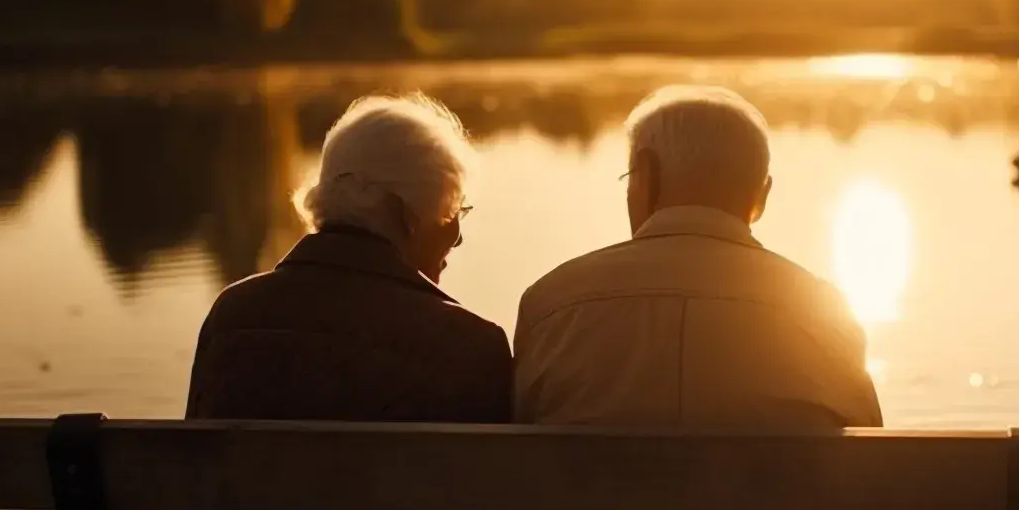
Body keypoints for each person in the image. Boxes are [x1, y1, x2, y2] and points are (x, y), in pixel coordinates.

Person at [513, 85, 882, 429]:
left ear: (645, 177)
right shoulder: (825, 314)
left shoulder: (551, 306)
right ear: (762, 196)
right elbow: (872, 459)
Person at [185, 94, 511, 424]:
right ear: (403, 215)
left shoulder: (232, 316)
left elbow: (189, 463)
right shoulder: (471, 349)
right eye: (451, 213)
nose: (457, 236)